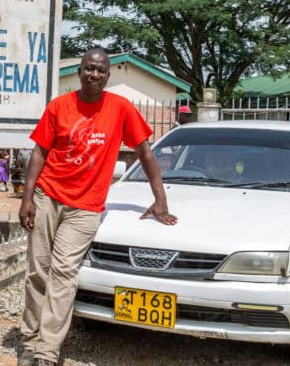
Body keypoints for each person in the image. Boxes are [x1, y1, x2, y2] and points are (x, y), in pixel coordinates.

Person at [17, 49, 178, 366]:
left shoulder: (120, 108)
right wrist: (26, 197)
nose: (94, 74)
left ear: (108, 75)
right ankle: (30, 340)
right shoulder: (59, 106)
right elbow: (39, 153)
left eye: (101, 70)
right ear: (80, 72)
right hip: (48, 196)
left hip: (85, 208)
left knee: (63, 274)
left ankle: (47, 351)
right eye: (89, 68)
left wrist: (160, 199)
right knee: (38, 272)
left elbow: (145, 153)